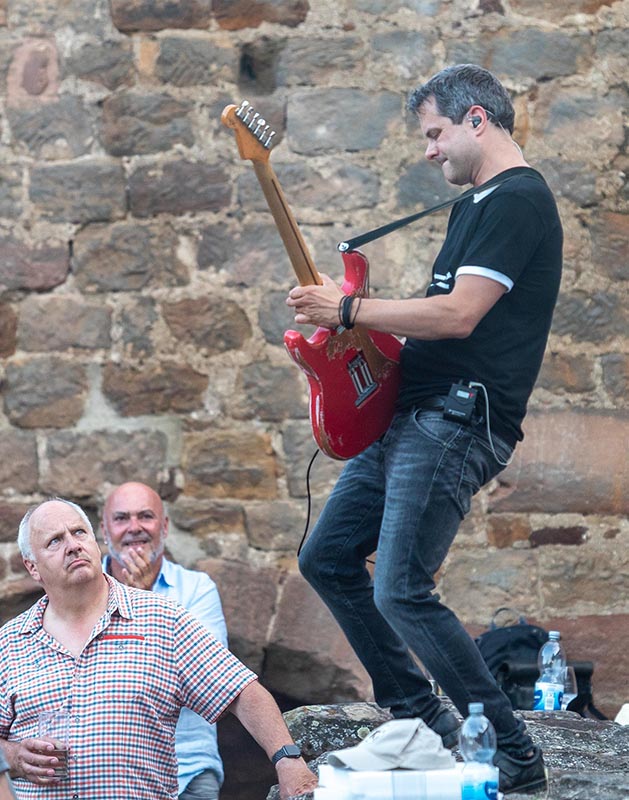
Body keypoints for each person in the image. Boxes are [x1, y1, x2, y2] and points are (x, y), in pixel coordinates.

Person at [286, 64, 562, 795]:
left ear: (478, 120)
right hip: (415, 413)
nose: (429, 150)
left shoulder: (518, 201)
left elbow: (457, 315)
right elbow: (432, 334)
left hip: (455, 420)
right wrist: (356, 351)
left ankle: (512, 755)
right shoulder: (478, 205)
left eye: (435, 133)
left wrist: (347, 313)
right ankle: (421, 718)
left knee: (401, 589)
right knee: (327, 558)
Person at [0, 499, 317, 800]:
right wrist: (13, 756)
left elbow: (240, 691)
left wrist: (287, 760)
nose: (73, 545)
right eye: (55, 541)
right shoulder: (9, 643)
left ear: (96, 543)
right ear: (33, 567)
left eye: (79, 532)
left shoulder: (162, 620)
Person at [101, 481, 227, 800]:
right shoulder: (81, 594)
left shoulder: (197, 590)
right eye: (121, 518)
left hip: (186, 772)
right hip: (103, 777)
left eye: (146, 516)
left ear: (165, 526)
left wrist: (142, 602)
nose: (134, 528)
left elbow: (211, 683)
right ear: (104, 531)